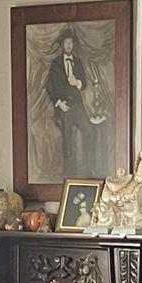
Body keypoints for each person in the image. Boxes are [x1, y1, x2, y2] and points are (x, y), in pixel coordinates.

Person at [43, 27, 111, 177]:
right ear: (62, 45)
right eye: (66, 43)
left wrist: (77, 83)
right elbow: (49, 87)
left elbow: (85, 84)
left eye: (71, 43)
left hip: (78, 106)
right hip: (64, 107)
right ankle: (68, 173)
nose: (69, 45)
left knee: (90, 131)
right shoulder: (56, 64)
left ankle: (90, 169)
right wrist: (59, 103)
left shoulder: (78, 62)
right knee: (67, 138)